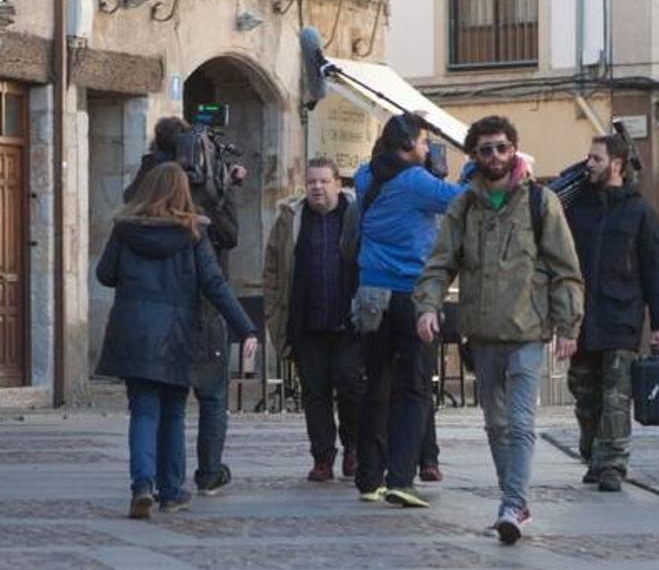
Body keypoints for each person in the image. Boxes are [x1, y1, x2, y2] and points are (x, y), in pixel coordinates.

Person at [416, 115, 583, 544]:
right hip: (482, 332)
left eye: (502, 147)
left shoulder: (540, 202)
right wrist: (428, 306)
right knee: (495, 425)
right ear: (474, 156)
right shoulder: (463, 206)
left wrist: (568, 325)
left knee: (521, 423)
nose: (495, 156)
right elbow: (439, 264)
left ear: (514, 150)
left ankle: (512, 504)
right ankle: (515, 503)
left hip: (528, 330)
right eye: (486, 149)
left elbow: (566, 269)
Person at [96, 163, 257, 518]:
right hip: (177, 335)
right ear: (183, 193)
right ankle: (170, 491)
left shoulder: (125, 229)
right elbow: (214, 284)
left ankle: (142, 485)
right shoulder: (193, 233)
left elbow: (104, 274)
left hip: (134, 332)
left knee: (143, 411)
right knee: (172, 413)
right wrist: (246, 328)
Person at [124, 116, 246, 497]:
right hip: (202, 306)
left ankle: (151, 482)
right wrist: (225, 190)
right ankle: (204, 473)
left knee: (154, 405)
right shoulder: (207, 186)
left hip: (148, 318)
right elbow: (230, 236)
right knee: (209, 396)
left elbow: (109, 263)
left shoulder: (146, 187)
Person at [351, 113, 464, 508]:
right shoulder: (416, 181)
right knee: (414, 388)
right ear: (407, 144)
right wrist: (461, 172)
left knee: (375, 385)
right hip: (410, 294)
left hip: (370, 293)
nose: (427, 148)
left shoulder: (365, 176)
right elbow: (460, 200)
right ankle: (401, 478)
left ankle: (369, 478)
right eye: (423, 142)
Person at [565, 133, 659, 492]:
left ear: (616, 164)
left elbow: (656, 270)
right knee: (584, 391)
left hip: (622, 315)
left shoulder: (640, 212)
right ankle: (592, 454)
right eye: (588, 157)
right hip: (582, 317)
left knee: (616, 394)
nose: (589, 164)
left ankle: (612, 463)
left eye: (596, 159)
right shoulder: (577, 208)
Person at [263, 157, 363, 481]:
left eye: (324, 181)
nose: (317, 188)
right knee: (314, 391)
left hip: (349, 321)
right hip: (306, 321)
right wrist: (274, 310)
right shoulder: (290, 218)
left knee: (350, 385)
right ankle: (322, 457)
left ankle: (354, 448)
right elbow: (272, 268)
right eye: (311, 182)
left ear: (338, 184)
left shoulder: (355, 214)